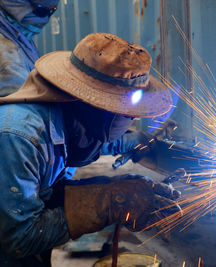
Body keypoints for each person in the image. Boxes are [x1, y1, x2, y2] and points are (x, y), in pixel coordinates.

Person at [0, 32, 181, 266]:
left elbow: (48, 193)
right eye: (126, 110)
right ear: (90, 100)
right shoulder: (20, 138)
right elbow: (18, 237)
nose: (133, 117)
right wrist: (110, 202)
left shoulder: (74, 119)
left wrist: (121, 187)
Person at [0, 0, 59, 97]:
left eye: (52, 11)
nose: (46, 19)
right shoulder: (6, 54)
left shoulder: (19, 36)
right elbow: (23, 102)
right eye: (42, 11)